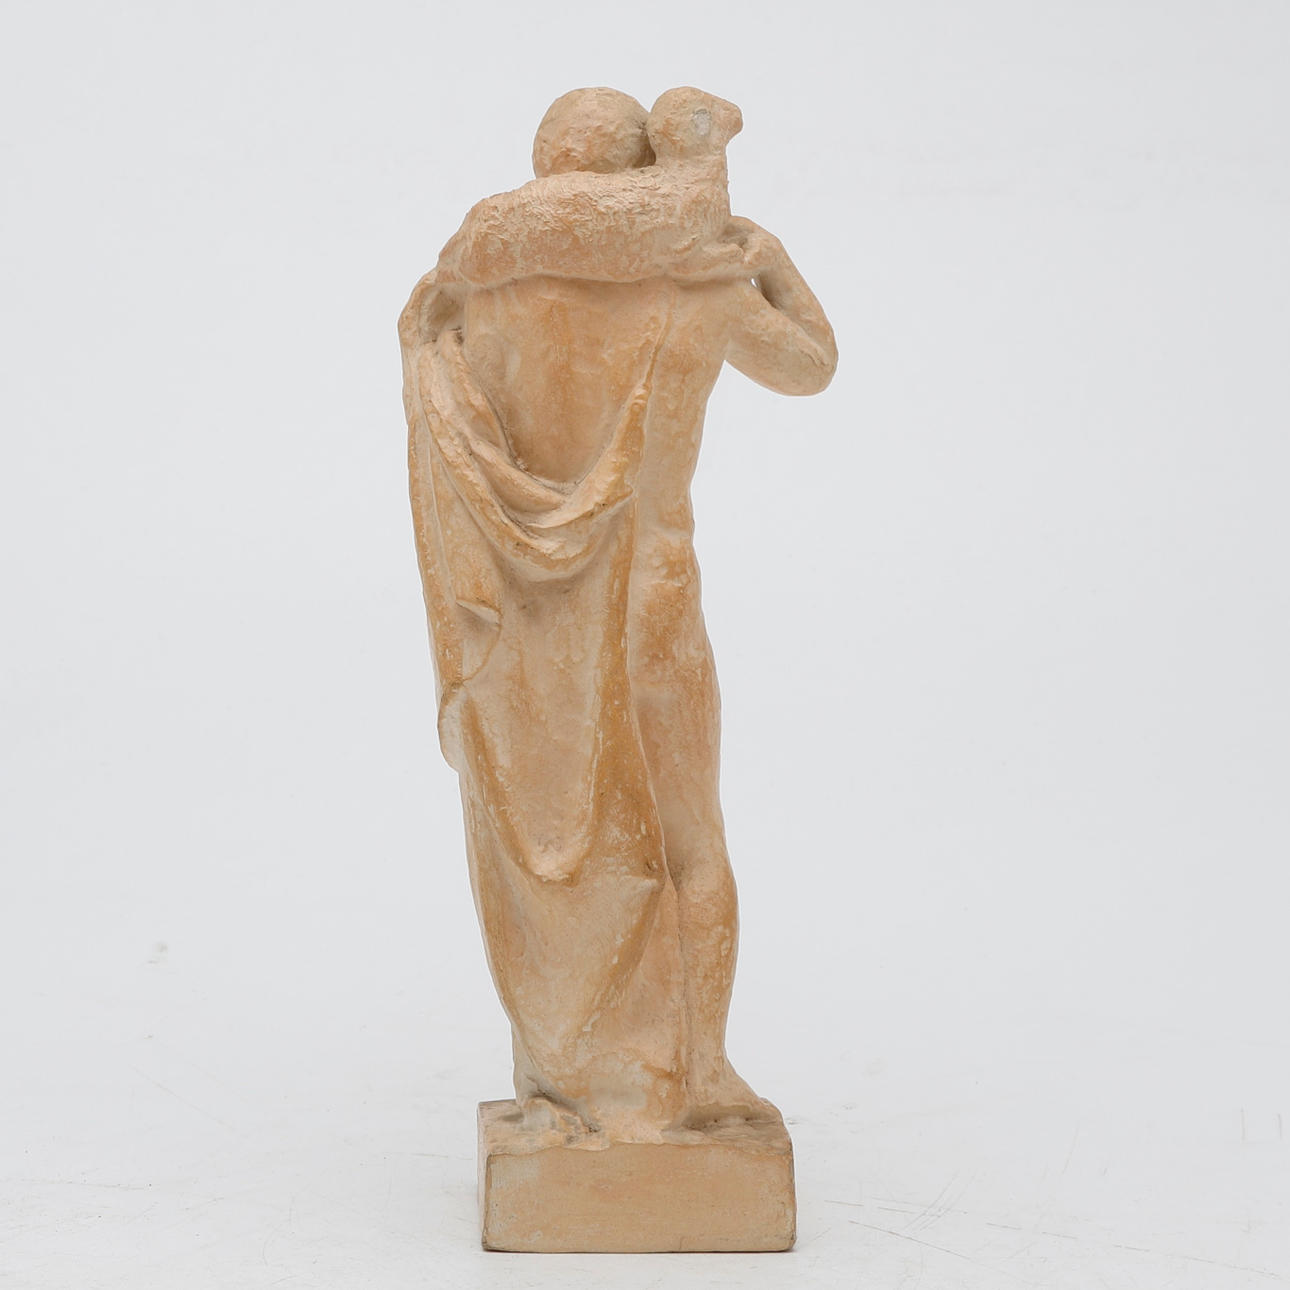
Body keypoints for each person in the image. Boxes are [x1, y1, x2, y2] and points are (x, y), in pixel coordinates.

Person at [400, 87, 836, 1140]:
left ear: (549, 166)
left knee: (540, 840)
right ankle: (703, 1075)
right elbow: (810, 365)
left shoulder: (481, 283)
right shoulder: (700, 279)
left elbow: (439, 394)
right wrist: (764, 253)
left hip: (530, 613)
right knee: (689, 836)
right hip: (653, 588)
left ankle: (563, 1086)